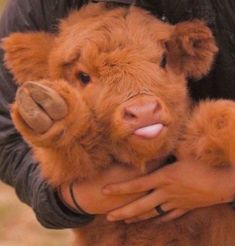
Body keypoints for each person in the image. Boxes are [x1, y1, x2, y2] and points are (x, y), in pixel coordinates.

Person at [0, 0, 235, 229]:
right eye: (84, 77)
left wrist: (228, 185)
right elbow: (5, 135)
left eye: (161, 61)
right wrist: (69, 198)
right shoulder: (33, 7)